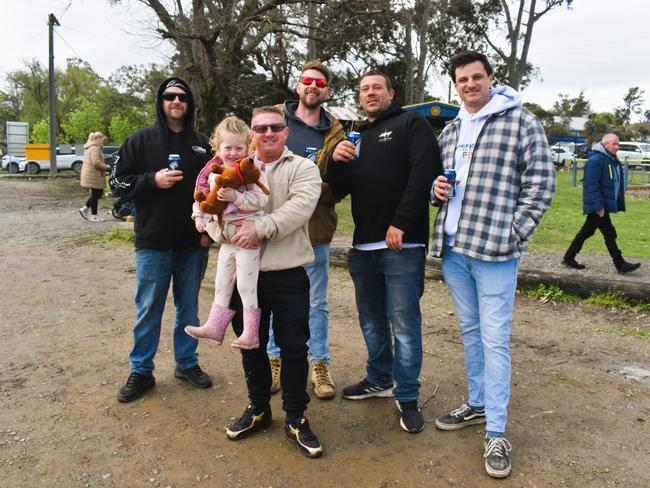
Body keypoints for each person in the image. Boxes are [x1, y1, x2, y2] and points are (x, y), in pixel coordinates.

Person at [430, 51, 556, 478]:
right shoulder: (449, 130)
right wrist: (436, 190)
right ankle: (478, 403)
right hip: (455, 249)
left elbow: (541, 181)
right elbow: (438, 184)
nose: (469, 84)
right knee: (470, 332)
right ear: (455, 84)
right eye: (462, 79)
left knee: (495, 338)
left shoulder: (521, 121)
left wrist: (515, 231)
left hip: (496, 251)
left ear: (491, 78)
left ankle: (497, 432)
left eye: (476, 77)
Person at [327, 71, 440, 433]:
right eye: (364, 89)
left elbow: (425, 172)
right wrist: (337, 159)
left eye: (377, 87)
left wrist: (402, 222)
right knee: (372, 321)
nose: (370, 93)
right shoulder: (359, 135)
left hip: (401, 244)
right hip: (363, 246)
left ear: (392, 93)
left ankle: (406, 394)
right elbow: (341, 188)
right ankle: (379, 378)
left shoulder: (411, 123)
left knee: (405, 325)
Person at [223, 105, 323, 458]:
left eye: (274, 127)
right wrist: (216, 225)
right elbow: (215, 208)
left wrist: (259, 228)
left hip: (288, 273)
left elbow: (300, 208)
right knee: (251, 344)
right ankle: (259, 408)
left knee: (294, 345)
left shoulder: (303, 168)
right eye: (260, 128)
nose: (267, 133)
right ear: (252, 133)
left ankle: (295, 416)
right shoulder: (232, 167)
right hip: (243, 276)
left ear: (286, 132)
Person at [110, 77, 214, 403]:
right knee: (148, 309)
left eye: (182, 96)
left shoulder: (201, 144)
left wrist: (210, 231)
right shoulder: (140, 141)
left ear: (189, 103)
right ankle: (141, 371)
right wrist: (152, 180)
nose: (176, 101)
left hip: (192, 244)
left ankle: (187, 363)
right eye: (169, 96)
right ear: (161, 101)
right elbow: (117, 183)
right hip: (153, 243)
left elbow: (216, 189)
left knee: (189, 310)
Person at [266, 60, 346, 399]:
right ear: (298, 86)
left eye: (320, 83)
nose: (313, 86)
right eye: (307, 80)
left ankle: (320, 364)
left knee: (316, 302)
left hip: (315, 228)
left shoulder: (337, 132)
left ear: (326, 91)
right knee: (272, 298)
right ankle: (274, 360)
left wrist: (319, 183)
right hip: (274, 227)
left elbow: (339, 189)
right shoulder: (273, 122)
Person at [185, 116, 270, 349]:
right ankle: (215, 326)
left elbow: (262, 198)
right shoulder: (211, 172)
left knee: (245, 284)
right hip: (225, 237)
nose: (233, 153)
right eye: (228, 147)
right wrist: (198, 216)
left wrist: (237, 197)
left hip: (247, 234)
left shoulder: (252, 170)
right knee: (221, 281)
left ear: (248, 147)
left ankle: (251, 333)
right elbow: (200, 197)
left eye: (239, 148)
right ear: (217, 147)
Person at [562, 133, 641, 274]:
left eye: (618, 144)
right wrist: (598, 206)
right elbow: (591, 185)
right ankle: (620, 264)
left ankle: (568, 257)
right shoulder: (597, 160)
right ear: (605, 144)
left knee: (588, 231)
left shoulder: (610, 158)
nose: (617, 147)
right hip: (598, 205)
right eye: (614, 144)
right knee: (610, 233)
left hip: (601, 203)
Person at [78, 131, 111, 222]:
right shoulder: (94, 148)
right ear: (96, 139)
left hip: (92, 174)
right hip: (93, 175)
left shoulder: (91, 147)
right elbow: (96, 162)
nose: (102, 141)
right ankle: (94, 216)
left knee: (97, 193)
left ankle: (84, 209)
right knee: (96, 193)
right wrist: (106, 167)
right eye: (101, 139)